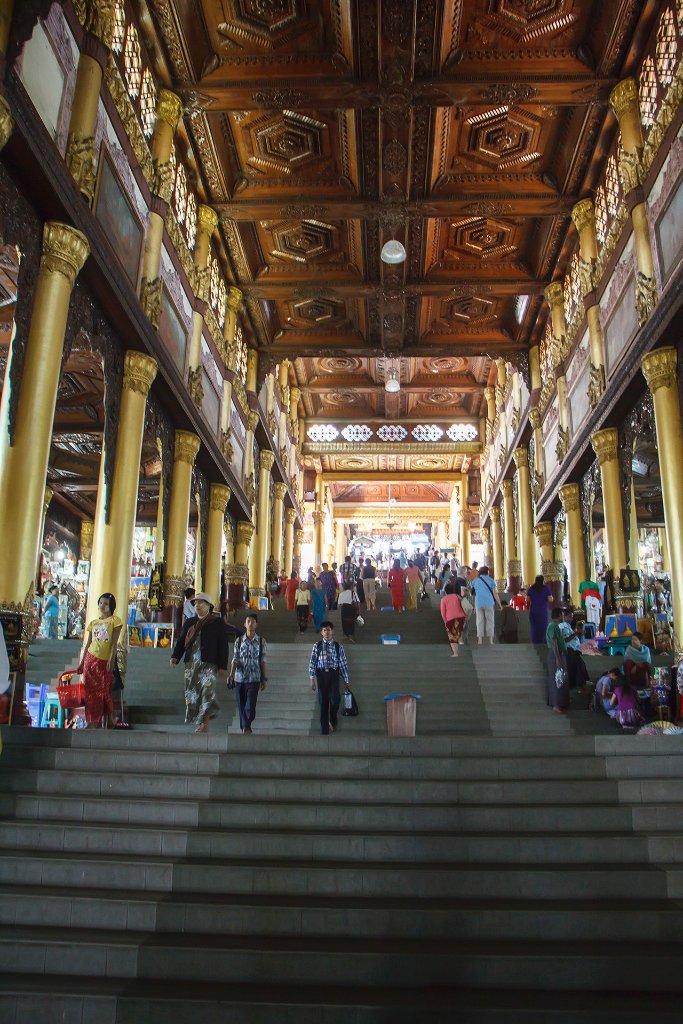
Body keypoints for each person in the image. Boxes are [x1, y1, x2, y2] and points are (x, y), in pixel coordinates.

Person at [170, 591, 235, 733]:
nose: (197, 605)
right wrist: (175, 656)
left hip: (209, 665)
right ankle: (198, 721)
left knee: (207, 692)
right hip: (191, 665)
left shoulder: (216, 622)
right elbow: (182, 641)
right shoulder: (189, 622)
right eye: (195, 603)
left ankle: (204, 724)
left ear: (209, 606)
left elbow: (223, 645)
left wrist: (222, 665)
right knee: (192, 694)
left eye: (201, 603)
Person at [77, 592, 122, 729]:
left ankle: (109, 718)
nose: (102, 606)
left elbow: (114, 643)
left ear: (111, 606)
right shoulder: (93, 623)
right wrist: (82, 662)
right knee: (90, 693)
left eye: (106, 604)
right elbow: (88, 644)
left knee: (104, 691)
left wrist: (111, 659)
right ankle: (91, 721)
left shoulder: (115, 621)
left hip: (104, 661)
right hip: (90, 660)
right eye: (101, 603)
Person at [308, 621, 351, 735]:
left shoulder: (338, 646)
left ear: (332, 631)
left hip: (334, 676)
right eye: (324, 630)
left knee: (335, 701)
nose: (327, 632)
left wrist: (346, 679)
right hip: (321, 676)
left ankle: (332, 720)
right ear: (321, 633)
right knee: (323, 703)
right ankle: (324, 730)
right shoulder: (317, 646)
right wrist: (312, 678)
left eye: (328, 629)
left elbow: (343, 664)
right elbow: (312, 662)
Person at [229, 612, 267, 735]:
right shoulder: (239, 641)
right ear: (244, 624)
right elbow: (235, 658)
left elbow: (263, 660)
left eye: (253, 622)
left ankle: (246, 725)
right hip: (239, 677)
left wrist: (263, 678)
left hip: (254, 678)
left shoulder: (261, 641)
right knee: (241, 704)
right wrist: (231, 674)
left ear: (256, 625)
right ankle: (246, 727)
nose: (250, 624)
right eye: (248, 621)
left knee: (251, 705)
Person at [559, 609, 591, 689]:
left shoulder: (568, 626)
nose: (571, 619)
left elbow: (572, 637)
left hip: (574, 651)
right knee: (578, 667)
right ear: (564, 616)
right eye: (569, 617)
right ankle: (579, 684)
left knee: (580, 667)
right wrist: (576, 633)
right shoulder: (563, 626)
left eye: (572, 617)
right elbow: (565, 639)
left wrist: (578, 634)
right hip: (568, 651)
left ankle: (581, 684)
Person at [546, 607, 569, 714]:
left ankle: (561, 702)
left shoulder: (556, 626)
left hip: (559, 654)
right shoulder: (552, 626)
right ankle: (556, 704)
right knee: (556, 680)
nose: (563, 617)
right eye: (562, 614)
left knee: (561, 679)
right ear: (559, 615)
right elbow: (554, 641)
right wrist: (557, 658)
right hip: (556, 655)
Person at [470, 566, 502, 645]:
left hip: (479, 603)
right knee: (490, 621)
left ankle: (480, 640)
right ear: (487, 572)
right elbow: (495, 593)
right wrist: (499, 604)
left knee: (479, 621)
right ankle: (490, 640)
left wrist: (473, 604)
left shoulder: (475, 581)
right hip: (489, 603)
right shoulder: (491, 581)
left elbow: (473, 593)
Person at [440, 582, 466, 656]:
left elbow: (443, 612)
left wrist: (445, 622)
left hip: (450, 618)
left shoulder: (443, 599)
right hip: (461, 617)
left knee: (452, 636)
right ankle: (460, 638)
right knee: (459, 630)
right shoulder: (458, 596)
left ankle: (455, 653)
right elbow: (464, 606)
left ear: (446, 591)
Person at [527, 575, 553, 644]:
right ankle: (543, 641)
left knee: (534, 627)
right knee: (544, 626)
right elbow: (550, 599)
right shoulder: (546, 588)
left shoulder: (531, 589)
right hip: (543, 610)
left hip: (534, 610)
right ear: (542, 580)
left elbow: (528, 600)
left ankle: (534, 642)